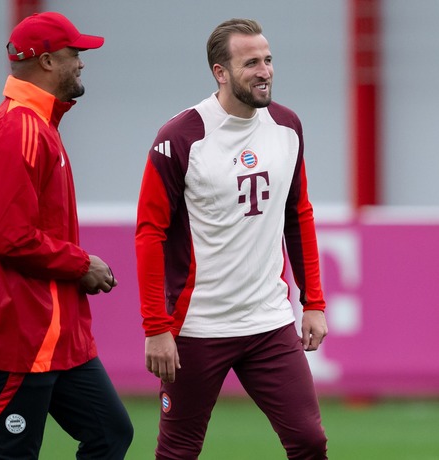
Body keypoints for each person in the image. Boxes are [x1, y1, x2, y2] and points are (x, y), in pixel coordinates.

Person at [135, 18, 328, 459]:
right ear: (220, 72)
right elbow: (149, 234)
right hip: (198, 327)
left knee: (310, 440)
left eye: (268, 60)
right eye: (251, 63)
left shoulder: (287, 126)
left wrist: (313, 302)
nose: (265, 71)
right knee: (178, 450)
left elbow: (298, 215)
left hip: (268, 322)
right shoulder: (181, 137)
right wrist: (156, 327)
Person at [0, 11, 133, 459]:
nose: (82, 62)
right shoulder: (19, 129)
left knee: (110, 434)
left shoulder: (37, 125)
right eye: (75, 53)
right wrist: (80, 263)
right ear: (47, 61)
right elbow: (9, 237)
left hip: (52, 334)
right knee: (14, 454)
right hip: (18, 334)